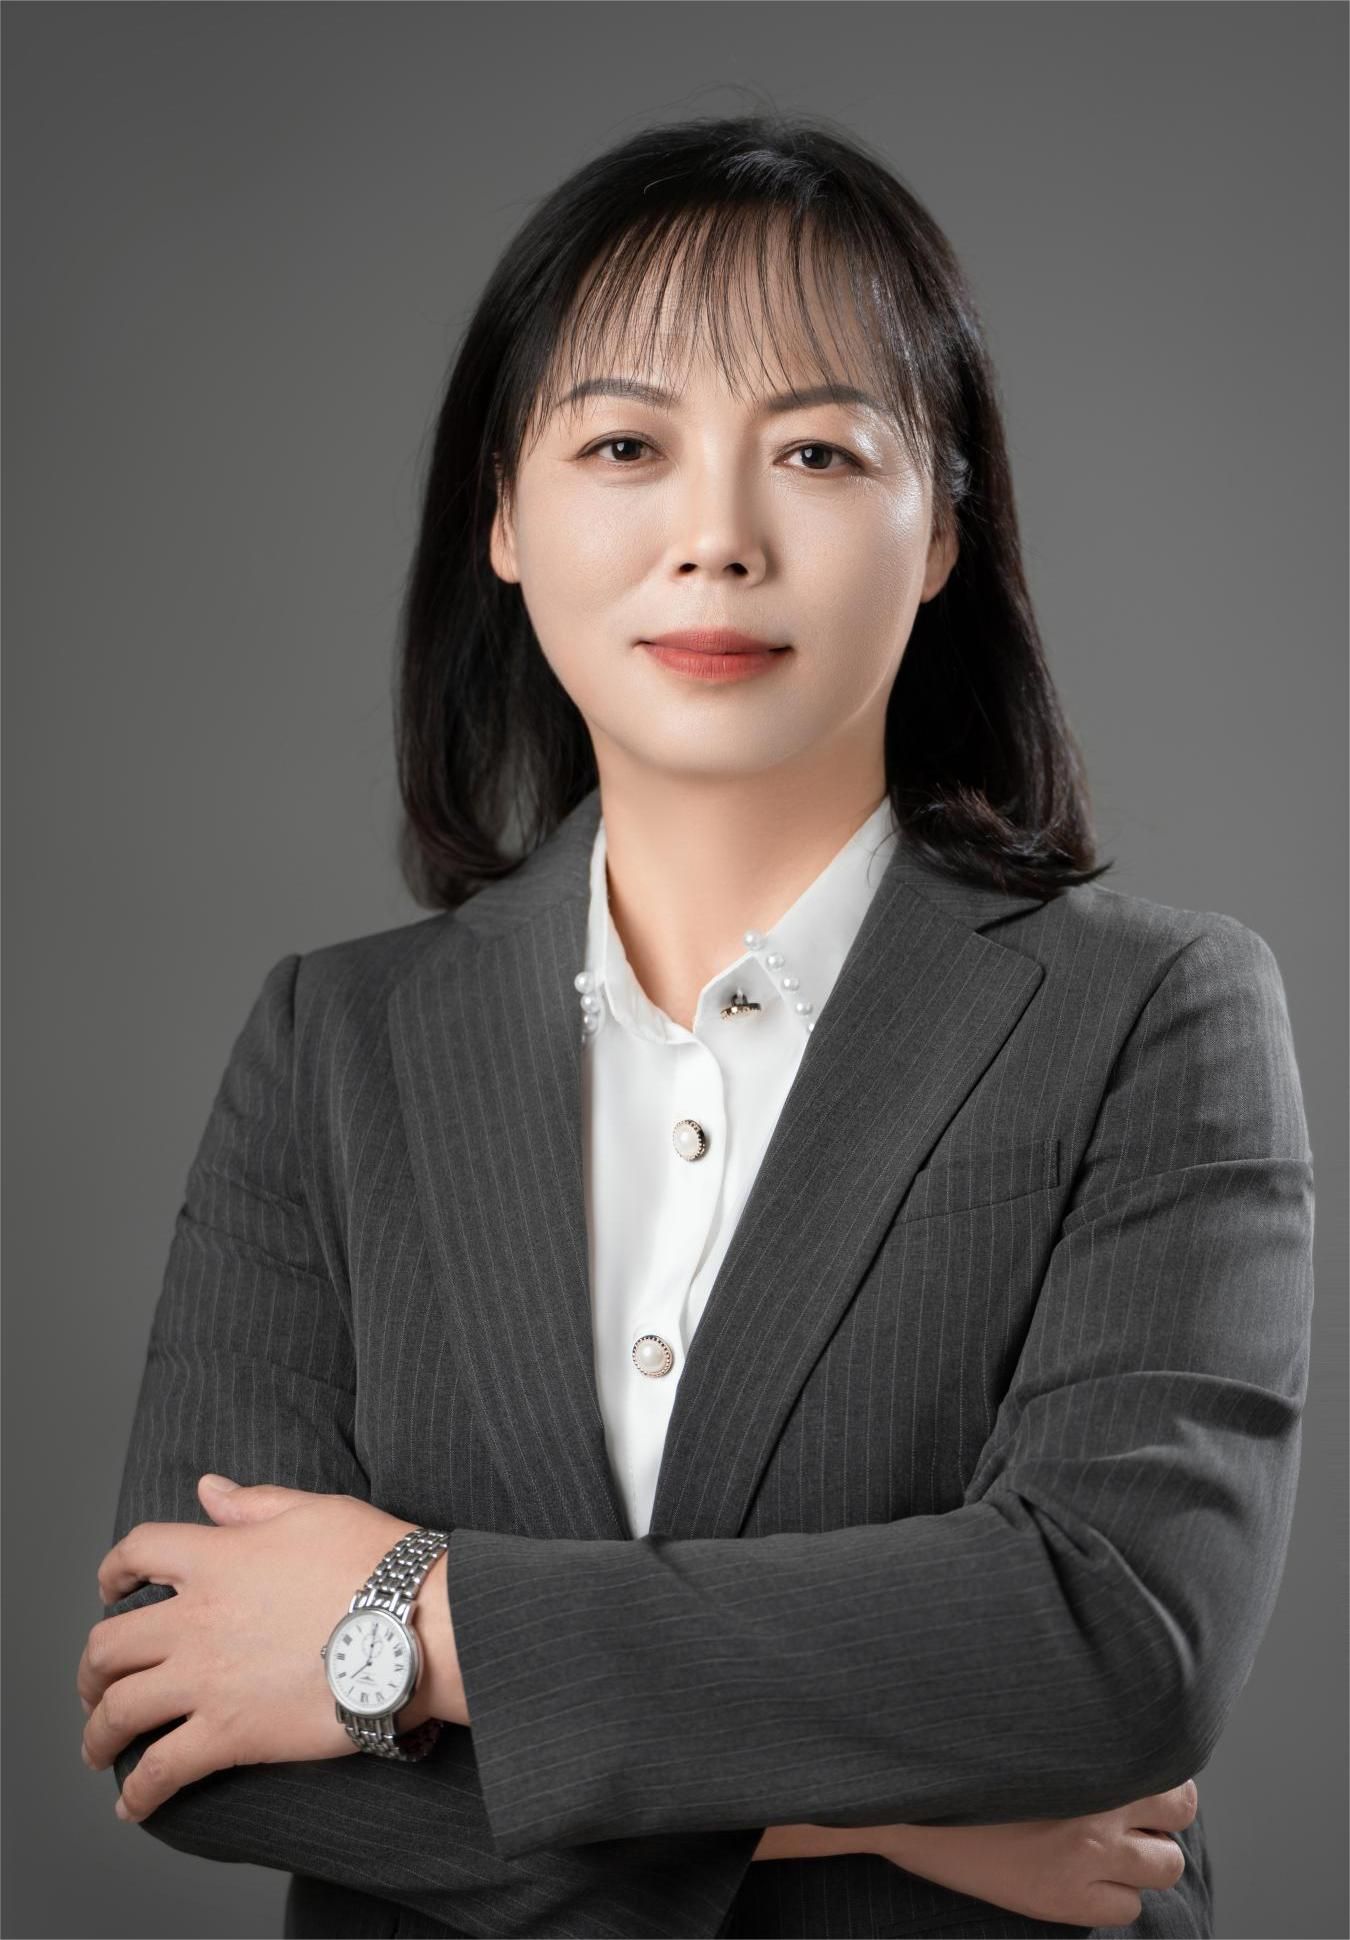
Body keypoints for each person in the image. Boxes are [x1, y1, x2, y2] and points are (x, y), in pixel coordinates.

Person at [76, 112, 1313, 1940]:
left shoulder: (1151, 1013)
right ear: (505, 515)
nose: (716, 539)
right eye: (625, 446)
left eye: (816, 450)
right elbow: (189, 1721)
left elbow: (1107, 1644)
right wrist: (859, 1821)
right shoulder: (333, 1042)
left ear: (941, 526)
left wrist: (412, 1620)